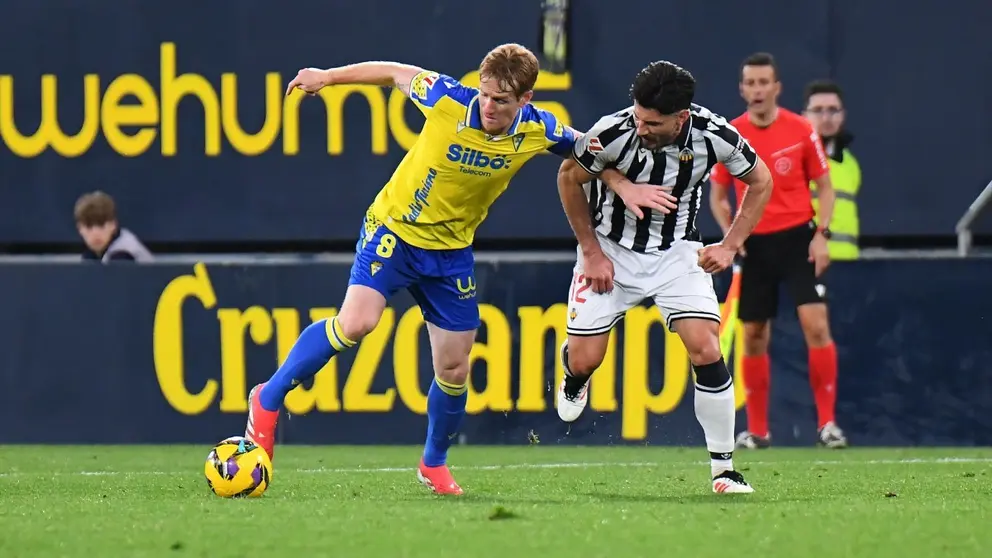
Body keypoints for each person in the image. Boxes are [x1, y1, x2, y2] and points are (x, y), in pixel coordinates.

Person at [243, 44, 649, 495]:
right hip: (395, 230)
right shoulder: (447, 98)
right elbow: (393, 71)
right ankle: (268, 397)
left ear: (526, 100)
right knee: (357, 322)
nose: (489, 106)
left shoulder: (538, 128)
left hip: (451, 252)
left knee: (454, 368)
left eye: (502, 101)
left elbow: (585, 151)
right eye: (486, 94)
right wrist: (327, 75)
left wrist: (620, 183)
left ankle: (432, 464)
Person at [556, 60, 774, 494]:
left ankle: (724, 470)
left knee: (707, 347)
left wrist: (730, 245)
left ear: (682, 118)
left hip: (677, 254)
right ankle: (572, 376)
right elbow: (568, 178)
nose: (641, 128)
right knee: (586, 359)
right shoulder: (611, 132)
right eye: (637, 116)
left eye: (652, 123)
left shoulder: (714, 135)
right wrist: (592, 253)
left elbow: (761, 180)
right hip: (610, 251)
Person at [708, 53, 848, 449]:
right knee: (753, 334)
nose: (756, 90)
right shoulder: (732, 133)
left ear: (776, 88)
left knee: (816, 326)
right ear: (742, 89)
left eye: (763, 82)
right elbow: (718, 193)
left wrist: (822, 234)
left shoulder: (801, 129)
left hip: (797, 239)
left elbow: (824, 186)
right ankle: (758, 431)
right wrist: (730, 235)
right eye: (749, 83)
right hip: (754, 244)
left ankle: (828, 425)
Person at [804, 80, 862, 260]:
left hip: (848, 264)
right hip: (807, 264)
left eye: (833, 110)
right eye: (818, 110)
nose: (826, 118)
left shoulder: (850, 164)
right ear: (804, 116)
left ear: (843, 115)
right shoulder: (793, 160)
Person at [74, 191, 153, 263]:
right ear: (80, 228)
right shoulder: (91, 254)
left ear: (113, 225)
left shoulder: (123, 254)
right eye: (89, 227)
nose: (96, 233)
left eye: (102, 225)